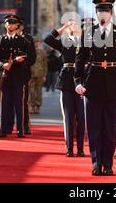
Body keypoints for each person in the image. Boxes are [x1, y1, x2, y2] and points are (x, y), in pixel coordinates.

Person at [74, 0, 116, 176]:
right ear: (96, 13)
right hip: (92, 85)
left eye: (106, 11)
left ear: (111, 13)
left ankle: (108, 164)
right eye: (100, 11)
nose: (103, 14)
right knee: (93, 128)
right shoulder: (88, 33)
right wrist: (78, 81)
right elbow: (80, 59)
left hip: (114, 85)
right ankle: (95, 163)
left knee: (110, 129)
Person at [45, 19, 90, 157]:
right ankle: (69, 148)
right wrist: (63, 28)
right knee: (69, 117)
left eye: (74, 24)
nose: (72, 26)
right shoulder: (64, 42)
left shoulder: (85, 43)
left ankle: (81, 148)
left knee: (81, 118)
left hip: (81, 82)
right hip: (66, 82)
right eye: (70, 24)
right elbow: (48, 39)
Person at [0, 14, 36, 138]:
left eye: (12, 23)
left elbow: (32, 58)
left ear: (17, 25)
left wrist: (22, 60)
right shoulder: (0, 40)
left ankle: (20, 130)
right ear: (5, 25)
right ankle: (4, 129)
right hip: (4, 76)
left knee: (19, 104)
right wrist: (2, 64)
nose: (10, 25)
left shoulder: (24, 41)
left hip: (19, 76)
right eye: (8, 23)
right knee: (5, 104)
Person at [17, 21, 36, 135]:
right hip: (10, 72)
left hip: (23, 73)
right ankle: (8, 125)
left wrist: (24, 63)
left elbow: (32, 56)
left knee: (24, 100)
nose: (17, 28)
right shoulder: (7, 38)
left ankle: (25, 125)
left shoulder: (28, 38)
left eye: (19, 26)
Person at [29, 39, 47, 115]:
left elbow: (45, 64)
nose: (36, 43)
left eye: (37, 42)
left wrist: (45, 75)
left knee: (39, 91)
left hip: (40, 74)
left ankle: (38, 106)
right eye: (35, 42)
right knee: (31, 91)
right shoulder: (29, 52)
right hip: (31, 74)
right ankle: (32, 106)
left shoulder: (42, 52)